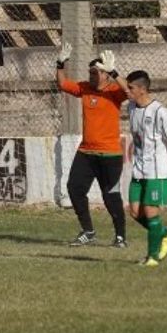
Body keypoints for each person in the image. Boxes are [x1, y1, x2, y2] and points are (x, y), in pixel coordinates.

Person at [56, 44, 129, 248]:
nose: (91, 76)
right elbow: (63, 84)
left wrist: (114, 71)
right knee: (74, 188)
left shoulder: (114, 91)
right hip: (86, 152)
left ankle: (120, 236)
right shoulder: (85, 88)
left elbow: (129, 92)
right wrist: (60, 62)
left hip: (110, 155)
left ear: (105, 75)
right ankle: (88, 231)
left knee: (110, 195)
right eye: (90, 72)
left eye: (95, 72)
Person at [123, 70, 167, 266]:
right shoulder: (132, 107)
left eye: (131, 88)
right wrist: (112, 72)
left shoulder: (160, 111)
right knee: (134, 212)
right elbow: (122, 85)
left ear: (142, 89)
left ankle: (152, 257)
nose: (127, 91)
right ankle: (165, 234)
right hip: (139, 170)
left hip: (157, 172)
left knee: (151, 212)